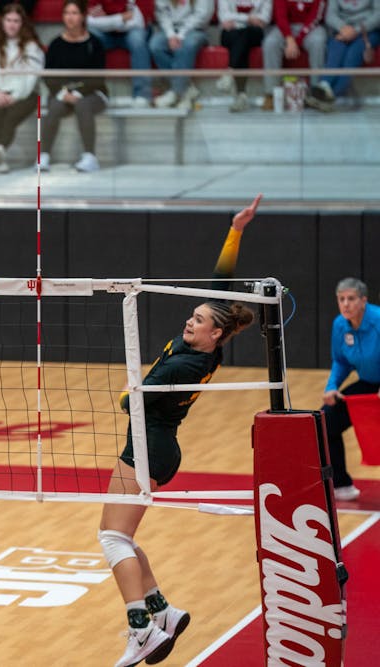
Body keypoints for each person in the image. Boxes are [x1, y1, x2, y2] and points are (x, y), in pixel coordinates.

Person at [99, 194, 261, 667]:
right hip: (155, 446)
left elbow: (133, 400)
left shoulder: (189, 363)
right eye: (192, 315)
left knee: (111, 539)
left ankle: (141, 631)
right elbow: (221, 283)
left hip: (150, 449)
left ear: (216, 335)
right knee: (119, 536)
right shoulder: (211, 341)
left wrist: (127, 394)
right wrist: (236, 230)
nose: (190, 320)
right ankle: (163, 611)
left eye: (198, 320)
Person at [320, 278, 380, 501]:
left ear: (364, 300)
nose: (345, 304)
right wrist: (332, 387)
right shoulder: (340, 325)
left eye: (351, 299)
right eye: (341, 299)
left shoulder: (378, 321)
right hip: (369, 382)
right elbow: (341, 361)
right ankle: (341, 485)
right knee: (326, 421)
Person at [38, 0, 108, 174]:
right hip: (62, 93)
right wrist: (64, 93)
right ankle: (43, 156)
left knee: (83, 104)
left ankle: (90, 157)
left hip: (93, 93)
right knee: (54, 106)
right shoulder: (56, 44)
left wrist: (77, 92)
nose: (70, 17)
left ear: (83, 16)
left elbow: (98, 77)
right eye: (67, 13)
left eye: (75, 13)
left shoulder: (95, 43)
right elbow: (49, 77)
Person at [0, 3, 43, 175]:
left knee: (11, 115)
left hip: (23, 94)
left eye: (16, 21)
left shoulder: (32, 46)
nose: (12, 24)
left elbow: (31, 76)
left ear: (22, 24)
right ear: (2, 22)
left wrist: (15, 96)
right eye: (8, 20)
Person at [260, 0, 327, 111]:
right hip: (286, 26)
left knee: (318, 41)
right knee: (270, 43)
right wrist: (289, 38)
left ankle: (316, 93)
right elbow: (280, 16)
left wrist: (298, 40)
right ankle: (271, 94)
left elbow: (315, 16)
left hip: (310, 27)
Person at [87, 0, 152, 108]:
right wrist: (121, 18)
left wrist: (108, 22)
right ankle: (91, 91)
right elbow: (90, 21)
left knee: (137, 41)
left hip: (132, 31)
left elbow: (139, 22)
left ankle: (142, 95)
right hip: (106, 33)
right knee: (89, 37)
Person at [149, 0, 212, 109]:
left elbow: (202, 15)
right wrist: (171, 34)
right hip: (170, 29)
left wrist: (181, 35)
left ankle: (176, 93)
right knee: (155, 45)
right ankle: (185, 89)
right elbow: (161, 13)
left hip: (196, 30)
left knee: (186, 46)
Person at [317, 0, 380, 109]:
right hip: (341, 30)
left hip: (367, 31)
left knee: (352, 55)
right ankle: (324, 86)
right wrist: (344, 29)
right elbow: (330, 15)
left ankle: (330, 96)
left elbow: (378, 15)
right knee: (336, 51)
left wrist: (356, 30)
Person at [215, 0, 272, 112]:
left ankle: (230, 73)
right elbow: (224, 16)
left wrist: (236, 20)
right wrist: (248, 19)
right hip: (230, 33)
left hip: (253, 33)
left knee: (244, 36)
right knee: (241, 38)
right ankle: (241, 96)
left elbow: (265, 18)